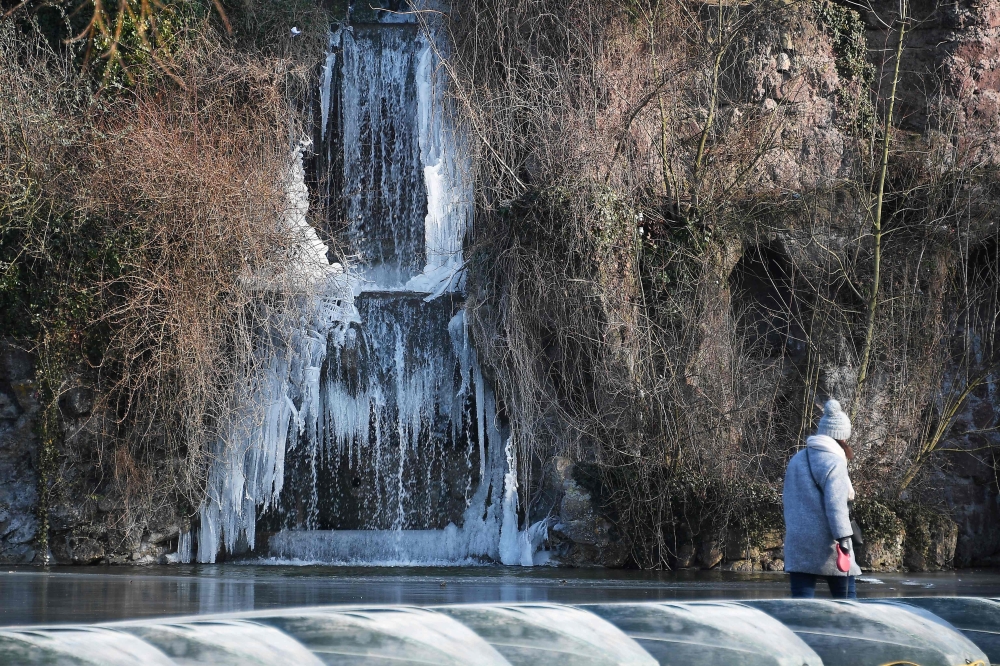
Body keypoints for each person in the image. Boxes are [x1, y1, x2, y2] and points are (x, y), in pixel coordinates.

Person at [782, 398, 861, 598]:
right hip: (830, 545)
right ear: (841, 437)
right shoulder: (835, 462)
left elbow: (788, 501)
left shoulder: (797, 459)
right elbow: (836, 506)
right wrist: (844, 538)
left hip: (798, 543)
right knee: (847, 605)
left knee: (801, 608)